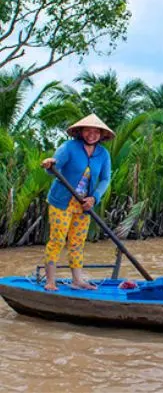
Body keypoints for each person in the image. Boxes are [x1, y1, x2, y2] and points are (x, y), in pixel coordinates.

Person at [40, 114, 114, 292]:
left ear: (101, 135)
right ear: (81, 131)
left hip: (84, 205)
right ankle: (50, 280)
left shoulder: (103, 154)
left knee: (77, 242)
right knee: (57, 240)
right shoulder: (69, 148)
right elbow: (53, 169)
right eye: (88, 130)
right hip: (62, 201)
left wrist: (94, 197)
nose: (92, 134)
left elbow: (105, 179)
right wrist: (49, 163)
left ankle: (77, 280)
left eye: (96, 131)